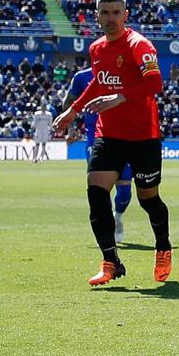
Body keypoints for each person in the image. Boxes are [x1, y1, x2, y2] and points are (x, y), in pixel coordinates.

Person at [51, 0, 173, 286]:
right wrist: (72, 111)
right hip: (109, 134)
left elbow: (155, 81)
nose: (111, 18)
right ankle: (110, 261)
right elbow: (97, 81)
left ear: (125, 15)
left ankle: (163, 248)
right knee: (96, 192)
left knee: (149, 200)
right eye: (105, 13)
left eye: (116, 12)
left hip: (144, 135)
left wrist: (120, 98)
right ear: (96, 16)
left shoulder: (139, 45)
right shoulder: (96, 48)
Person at [56, 66, 134, 241]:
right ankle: (106, 231)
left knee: (125, 191)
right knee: (100, 188)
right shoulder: (82, 77)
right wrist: (70, 128)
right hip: (95, 137)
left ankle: (118, 216)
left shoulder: (125, 72)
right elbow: (69, 102)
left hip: (126, 135)